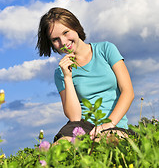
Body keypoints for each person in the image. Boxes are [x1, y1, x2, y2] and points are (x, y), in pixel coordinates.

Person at [36, 7, 134, 143]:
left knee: (107, 141)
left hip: (114, 123)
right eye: (55, 39)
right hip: (81, 127)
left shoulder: (106, 49)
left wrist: (108, 124)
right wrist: (68, 77)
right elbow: (74, 117)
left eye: (66, 32)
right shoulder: (60, 73)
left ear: (75, 27)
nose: (63, 42)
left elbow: (128, 92)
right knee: (60, 147)